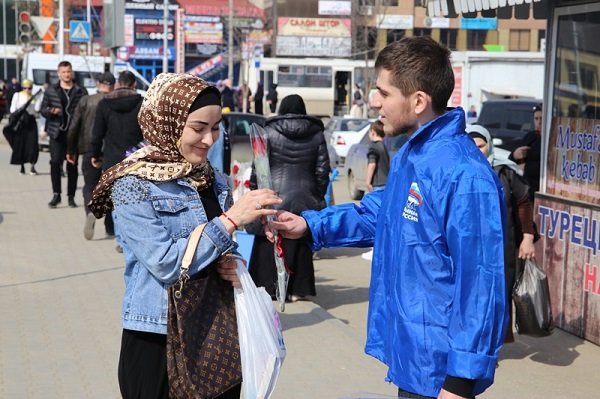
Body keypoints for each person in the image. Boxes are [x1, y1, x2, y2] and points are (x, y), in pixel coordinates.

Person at [268, 36, 507, 399]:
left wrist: (459, 383)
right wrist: (309, 225)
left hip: (440, 373)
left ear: (419, 101)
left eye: (383, 92)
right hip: (412, 359)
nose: (374, 102)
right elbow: (379, 215)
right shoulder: (414, 154)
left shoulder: (465, 174)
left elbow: (482, 285)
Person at [87, 73, 282, 399]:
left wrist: (232, 264)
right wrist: (231, 220)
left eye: (216, 127)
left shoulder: (215, 180)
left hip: (214, 333)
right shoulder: (133, 183)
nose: (209, 139)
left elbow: (219, 248)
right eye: (198, 128)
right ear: (168, 123)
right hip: (158, 340)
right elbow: (165, 263)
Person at [247, 94, 330, 302]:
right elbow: (322, 170)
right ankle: (298, 290)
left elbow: (259, 166)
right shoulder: (317, 133)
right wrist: (318, 195)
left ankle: (269, 288)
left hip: (273, 194)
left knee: (269, 240)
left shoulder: (268, 131)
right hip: (306, 194)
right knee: (301, 242)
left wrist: (256, 193)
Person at [467, 124, 536, 344]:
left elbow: (523, 201)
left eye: (481, 146)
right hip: (470, 244)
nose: (477, 151)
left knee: (499, 293)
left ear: (489, 145)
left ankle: (493, 343)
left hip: (501, 245)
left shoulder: (503, 170)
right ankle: (475, 340)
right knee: (472, 294)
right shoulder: (460, 171)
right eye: (472, 146)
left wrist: (527, 237)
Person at [90, 71, 144, 238]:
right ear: (134, 84)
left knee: (111, 193)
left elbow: (97, 132)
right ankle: (129, 233)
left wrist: (95, 154)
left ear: (119, 83)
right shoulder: (142, 103)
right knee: (134, 196)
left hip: (111, 156)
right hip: (135, 157)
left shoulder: (105, 104)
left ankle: (110, 229)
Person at [66, 71, 115, 240]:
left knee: (90, 186)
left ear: (98, 84)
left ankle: (90, 211)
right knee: (110, 188)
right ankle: (110, 227)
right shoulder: (114, 102)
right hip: (111, 151)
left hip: (88, 149)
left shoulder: (86, 100)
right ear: (113, 86)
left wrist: (70, 150)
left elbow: (73, 127)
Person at [41, 61, 88, 208]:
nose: (66, 74)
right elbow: (43, 109)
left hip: (73, 134)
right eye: (63, 72)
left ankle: (71, 197)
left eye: (68, 71)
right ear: (58, 73)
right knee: (55, 162)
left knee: (72, 165)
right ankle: (56, 195)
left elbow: (86, 111)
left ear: (71, 72)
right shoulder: (51, 90)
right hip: (56, 132)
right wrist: (50, 112)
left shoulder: (81, 91)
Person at [8, 79, 42, 175]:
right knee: (21, 144)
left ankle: (32, 166)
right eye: (25, 88)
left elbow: (37, 109)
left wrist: (38, 99)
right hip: (21, 122)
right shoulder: (17, 95)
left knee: (33, 144)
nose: (27, 90)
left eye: (29, 88)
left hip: (31, 121)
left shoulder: (34, 97)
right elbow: (12, 109)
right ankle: (22, 166)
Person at [509, 104, 543, 199]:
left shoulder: (551, 139)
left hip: (539, 187)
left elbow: (550, 165)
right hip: (524, 187)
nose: (539, 122)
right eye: (536, 119)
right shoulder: (529, 136)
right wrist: (514, 155)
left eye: (542, 118)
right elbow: (512, 160)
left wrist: (526, 167)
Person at [365, 120, 389, 192]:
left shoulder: (373, 146)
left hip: (378, 184)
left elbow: (372, 164)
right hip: (386, 182)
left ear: (373, 132)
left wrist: (368, 182)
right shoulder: (384, 146)